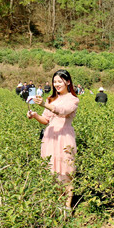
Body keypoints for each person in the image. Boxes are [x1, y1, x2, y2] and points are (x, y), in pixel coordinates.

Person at [27, 69, 79, 209]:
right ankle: (56, 203)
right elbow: (45, 120)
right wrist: (35, 115)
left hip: (64, 137)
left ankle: (67, 206)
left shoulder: (73, 99)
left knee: (66, 170)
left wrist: (44, 104)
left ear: (67, 82)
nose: (56, 84)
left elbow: (62, 112)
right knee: (51, 170)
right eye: (54, 81)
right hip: (50, 137)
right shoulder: (51, 98)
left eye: (59, 81)